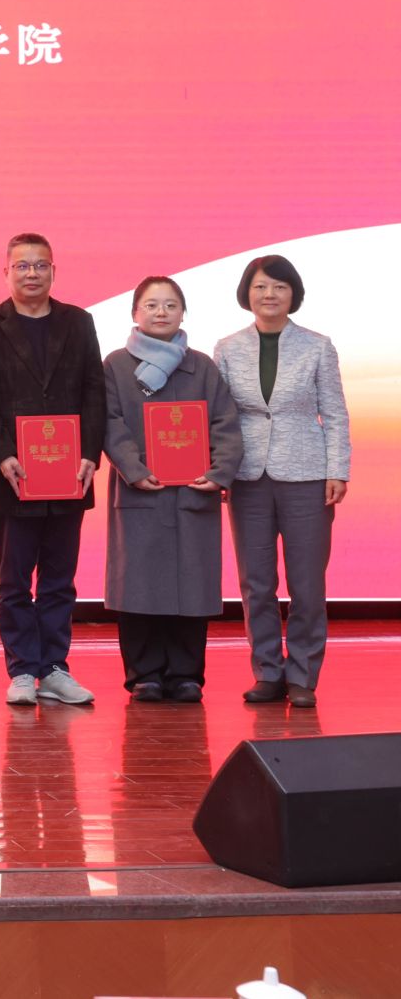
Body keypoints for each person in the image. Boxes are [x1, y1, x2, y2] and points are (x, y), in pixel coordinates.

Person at [0, 233, 104, 706]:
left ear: (53, 272)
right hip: (12, 474)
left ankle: (55, 668)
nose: (31, 274)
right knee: (14, 579)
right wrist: (3, 454)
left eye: (40, 265)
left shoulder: (78, 321)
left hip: (69, 472)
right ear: (6, 273)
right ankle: (23, 668)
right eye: (22, 266)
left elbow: (93, 389)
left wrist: (90, 452)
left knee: (60, 578)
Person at [214, 255, 350, 708]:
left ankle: (303, 676)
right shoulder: (227, 347)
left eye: (278, 286)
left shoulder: (317, 346)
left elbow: (334, 413)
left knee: (307, 583)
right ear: (246, 294)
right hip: (247, 475)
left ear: (293, 293)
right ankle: (268, 673)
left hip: (307, 474)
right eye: (260, 286)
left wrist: (338, 470)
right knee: (256, 583)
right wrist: (219, 469)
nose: (269, 294)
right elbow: (220, 416)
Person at [102, 277, 242, 702]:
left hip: (193, 491)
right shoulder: (116, 365)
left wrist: (219, 472)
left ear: (183, 313)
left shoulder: (203, 366)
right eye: (151, 305)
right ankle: (143, 674)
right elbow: (110, 422)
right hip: (140, 490)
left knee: (191, 585)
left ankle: (186, 675)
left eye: (170, 305)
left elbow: (226, 422)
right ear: (134, 313)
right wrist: (133, 468)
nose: (161, 312)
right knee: (139, 586)